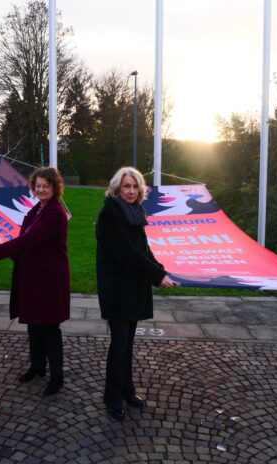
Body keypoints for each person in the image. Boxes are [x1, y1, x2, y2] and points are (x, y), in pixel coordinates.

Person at [96, 167, 177, 421]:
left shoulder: (134, 211)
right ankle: (112, 398)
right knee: (119, 345)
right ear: (117, 188)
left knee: (127, 345)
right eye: (126, 187)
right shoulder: (111, 213)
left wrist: (160, 270)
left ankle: (127, 391)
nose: (131, 191)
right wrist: (156, 276)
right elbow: (127, 253)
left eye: (134, 187)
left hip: (131, 288)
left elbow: (143, 249)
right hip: (118, 290)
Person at [0, 167, 70, 396]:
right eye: (37, 186)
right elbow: (23, 238)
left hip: (48, 280)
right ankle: (37, 367)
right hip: (33, 277)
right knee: (34, 325)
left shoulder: (55, 213)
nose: (40, 190)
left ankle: (57, 377)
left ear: (55, 187)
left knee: (49, 328)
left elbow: (30, 239)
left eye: (45, 186)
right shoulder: (37, 208)